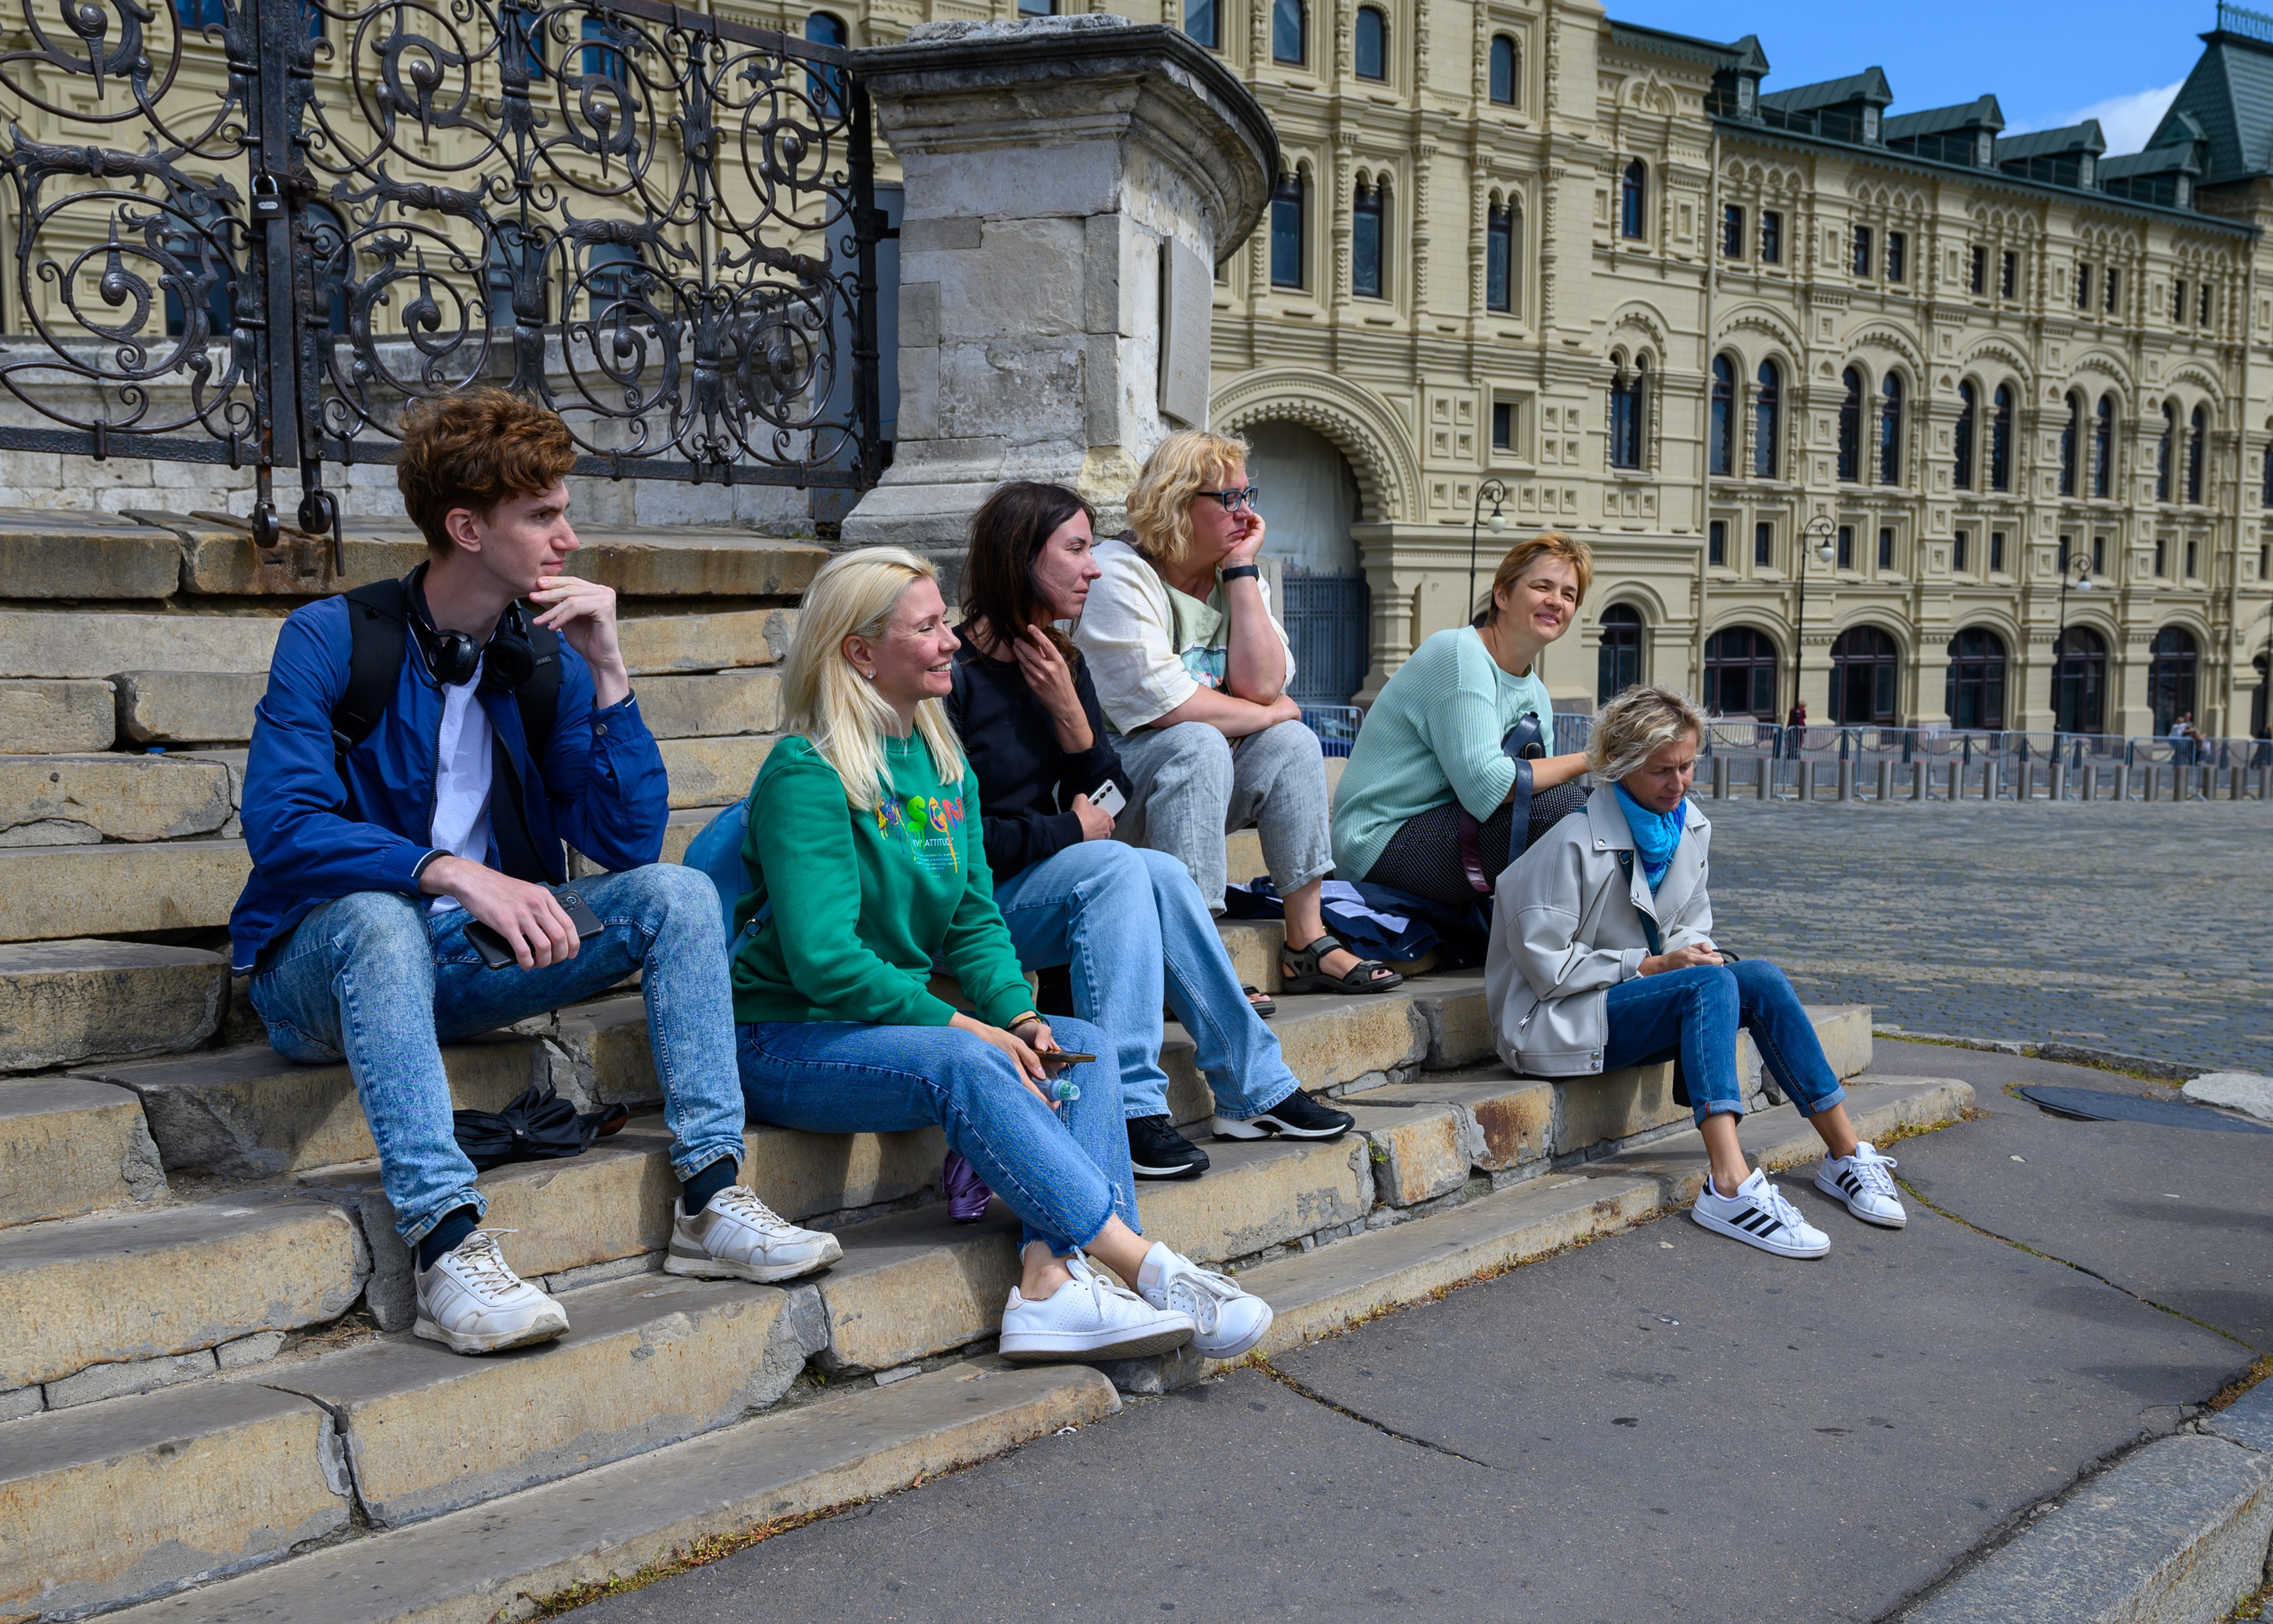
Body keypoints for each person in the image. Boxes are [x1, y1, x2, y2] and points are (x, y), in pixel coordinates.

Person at [231, 387, 838, 1357]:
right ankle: (446, 1245)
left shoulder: (543, 660)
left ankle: (711, 1197)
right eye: (543, 515)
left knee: (680, 894)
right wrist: (447, 871)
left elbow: (625, 840)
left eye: (564, 509)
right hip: (323, 969)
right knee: (381, 921)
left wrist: (607, 668)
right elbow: (284, 825)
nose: (568, 536)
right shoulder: (334, 637)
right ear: (466, 527)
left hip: (466, 962)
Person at [732, 545, 1275, 1361]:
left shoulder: (940, 758)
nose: (951, 640)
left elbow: (974, 923)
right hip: (788, 1034)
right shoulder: (806, 770)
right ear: (861, 652)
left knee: (1075, 1050)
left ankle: (1049, 1280)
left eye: (944, 622)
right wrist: (971, 1029)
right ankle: (1145, 1267)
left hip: (888, 1025)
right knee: (971, 1060)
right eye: (926, 628)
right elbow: (823, 960)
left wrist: (1019, 1016)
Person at [946, 480, 1356, 1182]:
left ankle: (1253, 1086)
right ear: (1021, 558)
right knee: (1119, 867)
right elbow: (964, 845)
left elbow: (1113, 791)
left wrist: (1075, 726)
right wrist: (1070, 830)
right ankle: (1128, 1105)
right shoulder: (951, 678)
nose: (1094, 567)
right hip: (974, 909)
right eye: (1075, 550)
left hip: (1044, 881)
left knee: (1159, 870)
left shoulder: (1062, 662)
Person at [1486, 685, 1905, 1259]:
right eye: (1663, 770)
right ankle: (1729, 1184)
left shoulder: (1687, 827)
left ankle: (1845, 1153)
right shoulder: (1570, 843)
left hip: (1620, 999)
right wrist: (1652, 964)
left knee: (1754, 975)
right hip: (1550, 1018)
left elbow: (1687, 925)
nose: (1679, 782)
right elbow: (1547, 970)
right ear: (1621, 766)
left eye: (1687, 766)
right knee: (1710, 983)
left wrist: (1688, 954)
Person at [1072, 429, 1402, 997]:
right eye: (1228, 499)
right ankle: (1190, 957)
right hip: (1113, 792)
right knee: (1203, 739)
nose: (1245, 514)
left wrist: (1243, 574)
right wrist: (1271, 714)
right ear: (1176, 503)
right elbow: (1170, 706)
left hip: (1203, 781)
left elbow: (1265, 682)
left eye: (1249, 495)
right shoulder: (1118, 573)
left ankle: (1306, 941)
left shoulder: (1233, 575)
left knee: (1294, 745)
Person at [1331, 532, 1596, 909]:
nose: (1557, 600)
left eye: (1569, 595)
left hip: (1451, 829)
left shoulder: (1536, 693)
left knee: (1600, 810)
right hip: (1378, 843)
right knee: (1564, 808)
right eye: (1542, 586)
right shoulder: (1459, 654)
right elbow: (1487, 788)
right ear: (1502, 595)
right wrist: (1593, 759)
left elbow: (1533, 790)